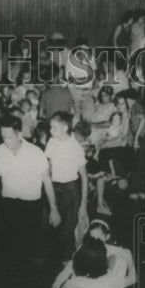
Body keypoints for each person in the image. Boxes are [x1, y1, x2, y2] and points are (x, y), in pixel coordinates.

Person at [0, 115, 61, 288]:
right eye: (2, 137)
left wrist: (53, 207)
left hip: (30, 208)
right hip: (8, 206)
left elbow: (47, 181)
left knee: (28, 250)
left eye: (9, 137)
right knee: (7, 250)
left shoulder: (35, 152)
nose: (6, 141)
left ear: (19, 133)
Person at [43, 111, 89, 260]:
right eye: (50, 127)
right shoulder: (52, 142)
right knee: (50, 226)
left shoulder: (75, 146)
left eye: (54, 128)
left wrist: (83, 206)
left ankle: (66, 262)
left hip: (71, 191)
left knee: (66, 232)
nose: (50, 131)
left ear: (64, 128)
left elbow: (84, 178)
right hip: (54, 189)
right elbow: (47, 167)